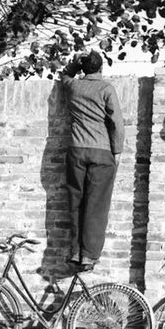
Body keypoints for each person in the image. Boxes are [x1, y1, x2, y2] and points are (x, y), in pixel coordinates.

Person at [61, 50, 125, 270]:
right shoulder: (106, 88)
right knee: (96, 205)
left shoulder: (74, 86)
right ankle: (89, 255)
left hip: (76, 150)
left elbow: (65, 75)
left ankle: (76, 251)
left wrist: (75, 65)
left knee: (75, 202)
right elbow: (116, 122)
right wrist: (117, 150)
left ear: (84, 68)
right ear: (101, 68)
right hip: (101, 151)